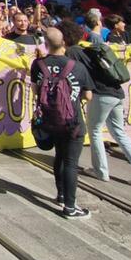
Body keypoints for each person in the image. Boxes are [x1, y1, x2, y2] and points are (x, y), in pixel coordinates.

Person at [64, 23, 131, 190]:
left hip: (100, 95)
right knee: (119, 133)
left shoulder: (72, 52)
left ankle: (100, 170)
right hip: (116, 93)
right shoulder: (88, 50)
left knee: (94, 130)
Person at [30, 24, 94, 219]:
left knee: (59, 157)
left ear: (46, 44)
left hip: (50, 120)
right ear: (64, 43)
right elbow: (88, 96)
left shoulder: (37, 65)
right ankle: (70, 207)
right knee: (71, 162)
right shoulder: (78, 67)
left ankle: (60, 194)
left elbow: (35, 91)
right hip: (72, 121)